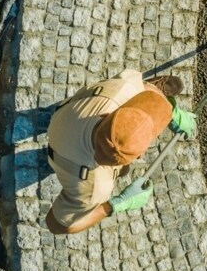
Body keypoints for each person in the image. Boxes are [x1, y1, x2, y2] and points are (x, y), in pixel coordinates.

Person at [45, 69, 196, 235]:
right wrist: (113, 205)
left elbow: (140, 88)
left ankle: (155, 95)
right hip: (62, 159)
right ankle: (121, 168)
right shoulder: (97, 188)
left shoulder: (119, 92)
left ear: (105, 115)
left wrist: (168, 111)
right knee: (124, 171)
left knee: (138, 89)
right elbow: (55, 225)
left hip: (65, 118)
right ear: (139, 155)